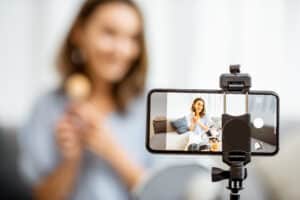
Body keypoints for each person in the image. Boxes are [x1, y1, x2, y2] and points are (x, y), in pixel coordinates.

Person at [18, 0, 149, 199]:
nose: (121, 50)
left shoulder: (148, 108)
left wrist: (109, 149)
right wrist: (71, 159)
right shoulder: (47, 107)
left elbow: (162, 192)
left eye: (132, 38)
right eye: (109, 33)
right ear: (79, 34)